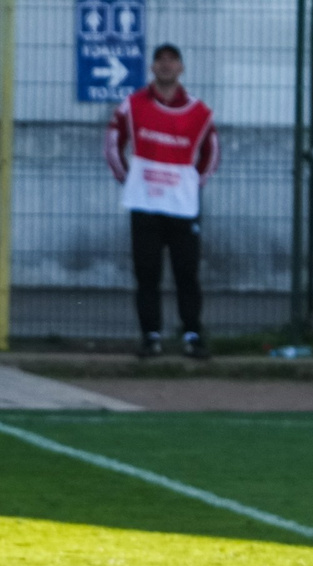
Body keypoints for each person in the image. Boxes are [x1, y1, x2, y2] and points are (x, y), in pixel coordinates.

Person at [104, 43, 216, 360]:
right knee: (147, 275)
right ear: (152, 68)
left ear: (181, 67)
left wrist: (194, 183)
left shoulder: (199, 111)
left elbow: (212, 153)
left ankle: (192, 335)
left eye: (172, 60)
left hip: (182, 208)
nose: (166, 65)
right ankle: (150, 337)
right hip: (146, 206)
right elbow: (112, 144)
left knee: (187, 275)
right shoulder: (132, 105)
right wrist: (129, 179)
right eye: (160, 60)